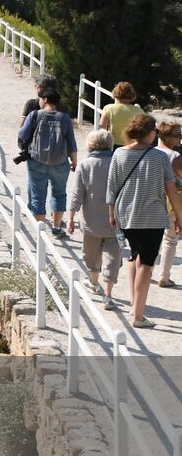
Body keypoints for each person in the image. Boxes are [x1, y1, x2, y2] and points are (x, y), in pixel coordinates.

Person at [107, 113, 182, 327]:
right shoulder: (159, 157)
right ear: (151, 133)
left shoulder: (119, 154)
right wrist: (179, 216)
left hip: (125, 215)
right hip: (152, 217)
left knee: (135, 257)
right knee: (147, 265)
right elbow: (171, 190)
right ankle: (138, 316)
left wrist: (111, 213)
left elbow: (111, 188)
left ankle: (134, 303)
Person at [67, 129, 122, 306]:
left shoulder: (84, 165)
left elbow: (77, 194)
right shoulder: (118, 163)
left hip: (91, 221)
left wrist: (71, 217)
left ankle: (94, 281)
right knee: (113, 257)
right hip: (116, 220)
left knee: (91, 255)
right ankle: (108, 294)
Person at [18, 89, 77, 235]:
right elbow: (72, 143)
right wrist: (74, 161)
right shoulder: (64, 118)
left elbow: (22, 134)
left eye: (40, 99)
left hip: (36, 161)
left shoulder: (35, 115)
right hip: (60, 162)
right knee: (59, 193)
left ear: (44, 99)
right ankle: (56, 228)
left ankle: (41, 232)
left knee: (38, 194)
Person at [155, 120, 182, 287]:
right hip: (172, 200)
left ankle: (148, 270)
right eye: (178, 135)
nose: (180, 138)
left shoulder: (151, 152)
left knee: (153, 238)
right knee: (170, 239)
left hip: (152, 199)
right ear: (167, 137)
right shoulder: (175, 156)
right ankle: (164, 276)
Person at [98, 82, 144, 150]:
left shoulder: (109, 108)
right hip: (132, 145)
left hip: (113, 144)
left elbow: (102, 129)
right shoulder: (139, 111)